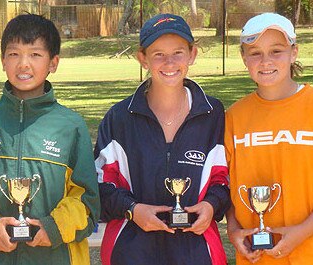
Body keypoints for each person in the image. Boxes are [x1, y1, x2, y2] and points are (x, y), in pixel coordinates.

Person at [0, 14, 100, 265]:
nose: (24, 65)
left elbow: (86, 201)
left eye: (35, 54)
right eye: (14, 54)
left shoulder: (71, 126)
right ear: (3, 60)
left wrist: (53, 228)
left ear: (54, 62)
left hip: (57, 257)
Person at [94, 13, 230, 265]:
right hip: (132, 253)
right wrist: (133, 210)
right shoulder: (119, 118)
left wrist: (211, 206)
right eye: (158, 54)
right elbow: (101, 186)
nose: (169, 62)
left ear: (192, 54)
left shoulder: (213, 114)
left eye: (178, 52)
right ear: (142, 58)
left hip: (197, 253)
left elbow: (225, 179)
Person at [225, 12, 313, 265]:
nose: (265, 61)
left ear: (294, 52)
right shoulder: (234, 117)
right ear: (243, 58)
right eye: (255, 53)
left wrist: (303, 232)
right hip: (258, 258)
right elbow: (225, 186)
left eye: (276, 51)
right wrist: (233, 231)